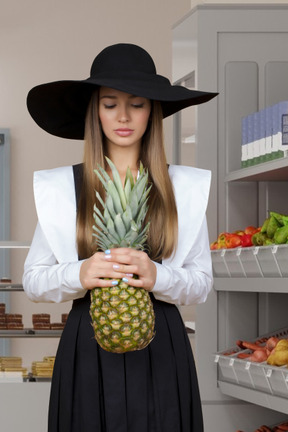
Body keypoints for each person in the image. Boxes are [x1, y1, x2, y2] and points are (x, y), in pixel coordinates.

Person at [23, 43, 217, 432]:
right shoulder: (63, 187)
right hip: (86, 343)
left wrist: (157, 275)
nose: (123, 116)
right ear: (95, 111)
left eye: (137, 104)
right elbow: (33, 279)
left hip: (162, 343)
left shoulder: (183, 187)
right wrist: (80, 272)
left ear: (153, 111)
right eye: (110, 104)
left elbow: (201, 285)